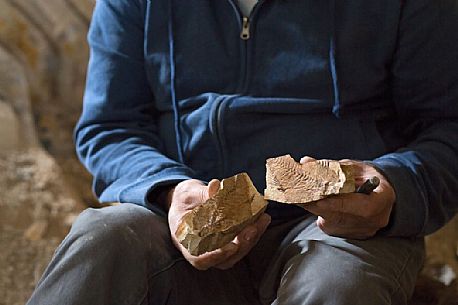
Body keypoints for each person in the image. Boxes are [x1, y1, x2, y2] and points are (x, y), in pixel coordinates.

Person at [27, 0, 458, 304]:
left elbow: (448, 127)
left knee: (337, 283)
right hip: (177, 223)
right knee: (103, 236)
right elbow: (110, 126)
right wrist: (171, 192)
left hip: (341, 231)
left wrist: (394, 189)